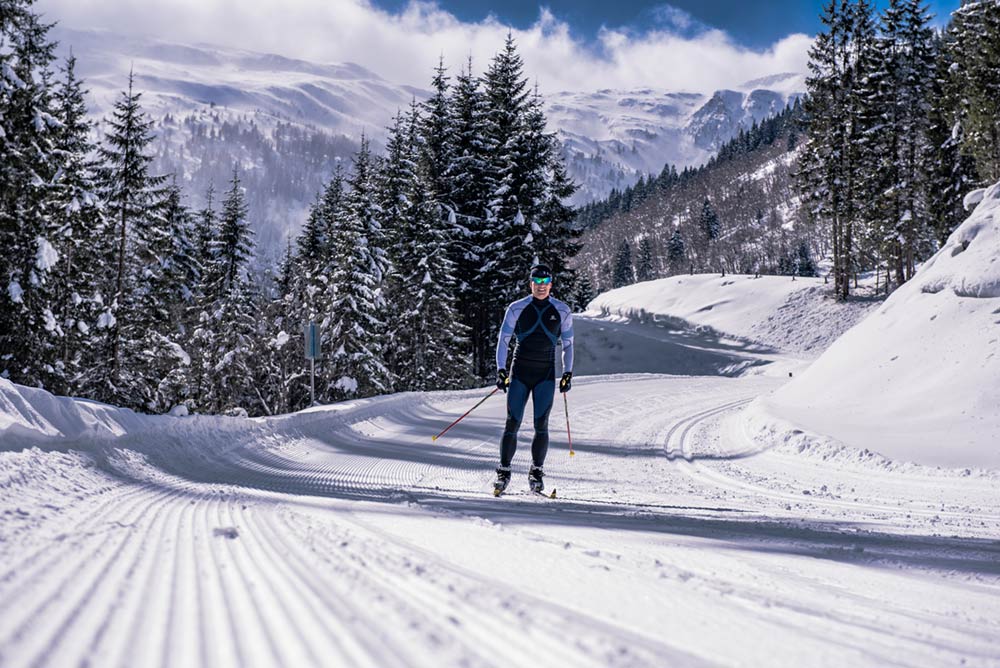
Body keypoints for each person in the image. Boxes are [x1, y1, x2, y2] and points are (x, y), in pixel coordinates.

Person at [493, 264, 574, 494]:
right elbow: (504, 340)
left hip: (545, 375)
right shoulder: (517, 308)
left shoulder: (562, 310)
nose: (541, 287)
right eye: (537, 283)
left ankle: (536, 472)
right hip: (519, 373)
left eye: (545, 283)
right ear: (531, 284)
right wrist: (501, 369)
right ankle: (504, 471)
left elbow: (568, 344)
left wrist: (568, 372)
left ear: (551, 284)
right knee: (513, 422)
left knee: (542, 425)